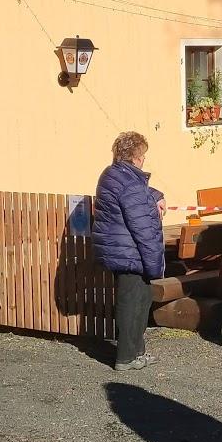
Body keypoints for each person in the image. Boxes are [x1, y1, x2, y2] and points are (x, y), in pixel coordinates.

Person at [92, 131, 166, 372]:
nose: (144, 159)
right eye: (143, 155)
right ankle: (126, 356)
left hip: (120, 250)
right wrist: (155, 262)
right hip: (130, 252)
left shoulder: (114, 175)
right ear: (135, 157)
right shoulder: (128, 183)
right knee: (132, 303)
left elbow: (138, 192)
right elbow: (143, 227)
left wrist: (155, 195)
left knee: (140, 301)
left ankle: (137, 351)